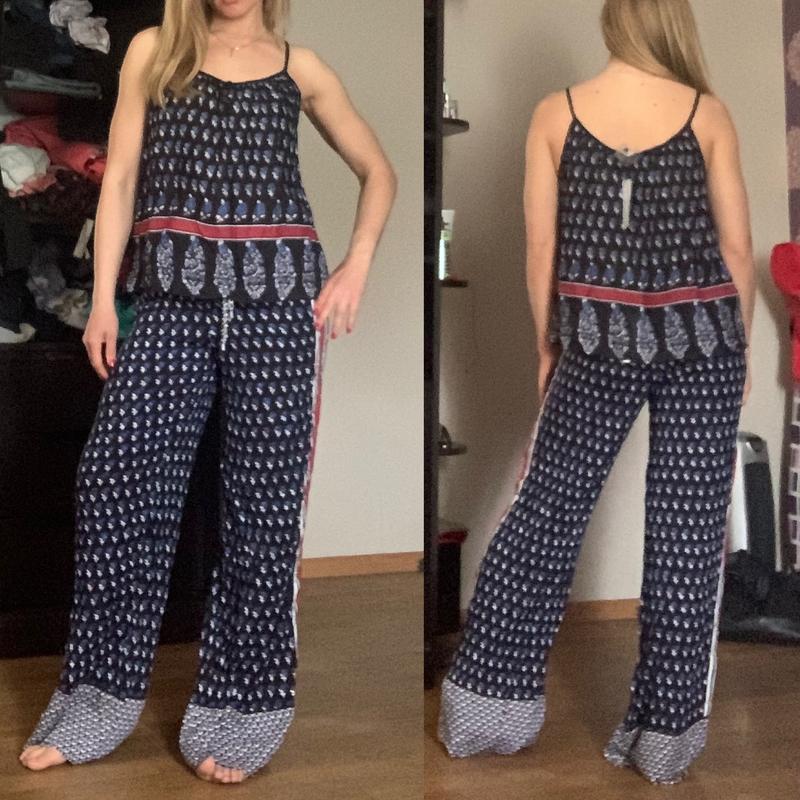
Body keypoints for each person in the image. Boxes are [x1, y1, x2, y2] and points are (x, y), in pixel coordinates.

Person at [18, 0, 396, 785]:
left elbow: (379, 171)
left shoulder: (299, 67)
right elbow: (121, 178)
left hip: (279, 310)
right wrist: (101, 300)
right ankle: (97, 698)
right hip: (170, 305)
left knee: (263, 507)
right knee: (115, 481)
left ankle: (243, 705)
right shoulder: (154, 50)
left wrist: (356, 264)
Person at [437, 0, 754, 786]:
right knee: (688, 536)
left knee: (543, 514)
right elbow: (736, 247)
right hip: (706, 338)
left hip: (596, 336)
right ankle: (664, 741)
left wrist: (548, 343)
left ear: (613, 24)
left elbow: (540, 247)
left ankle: (486, 713)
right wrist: (739, 348)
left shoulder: (556, 113)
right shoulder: (708, 114)